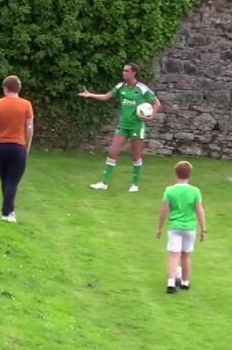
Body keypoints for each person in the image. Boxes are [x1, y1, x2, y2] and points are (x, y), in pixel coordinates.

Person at [78, 63, 161, 192]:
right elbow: (106, 96)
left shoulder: (142, 89)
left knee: (136, 156)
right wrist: (90, 95)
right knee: (112, 152)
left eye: (126, 70)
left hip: (137, 126)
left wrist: (151, 116)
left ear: (133, 73)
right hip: (123, 125)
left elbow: (156, 103)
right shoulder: (120, 86)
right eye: (123, 70)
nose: (123, 72)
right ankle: (104, 183)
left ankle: (135, 184)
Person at [0, 75, 34, 223]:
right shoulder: (26, 105)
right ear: (18, 88)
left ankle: (9, 211)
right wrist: (27, 146)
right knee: (13, 181)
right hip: (18, 146)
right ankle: (6, 213)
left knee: (5, 180)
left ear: (5, 88)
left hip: (1, 146)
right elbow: (29, 129)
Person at [156, 161, 207, 294]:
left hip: (175, 227)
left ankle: (171, 283)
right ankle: (185, 282)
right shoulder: (195, 191)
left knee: (174, 255)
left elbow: (164, 210)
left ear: (176, 174)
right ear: (190, 175)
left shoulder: (170, 191)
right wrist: (203, 229)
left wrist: (160, 228)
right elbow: (200, 210)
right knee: (186, 255)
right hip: (190, 227)